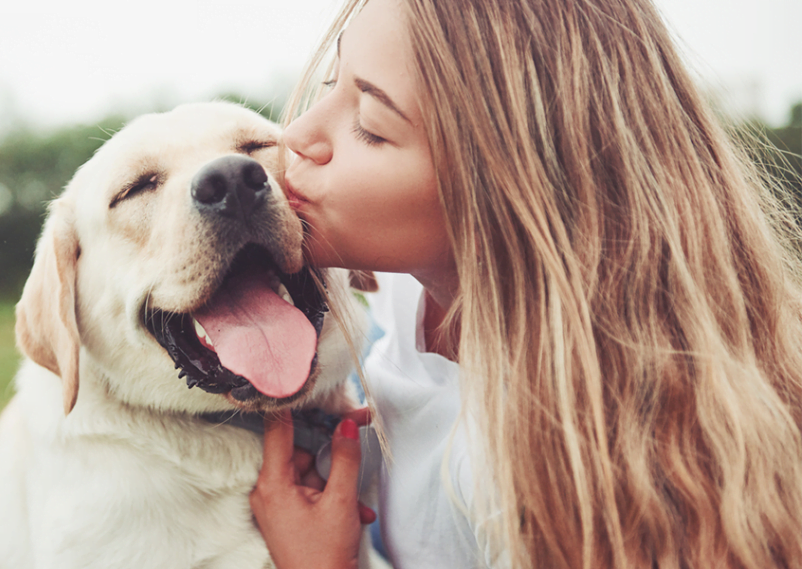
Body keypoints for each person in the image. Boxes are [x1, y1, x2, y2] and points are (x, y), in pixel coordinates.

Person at [247, 0, 802, 567]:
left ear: (503, 192)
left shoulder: (533, 481)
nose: (296, 133)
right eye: (331, 81)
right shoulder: (419, 281)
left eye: (370, 126)